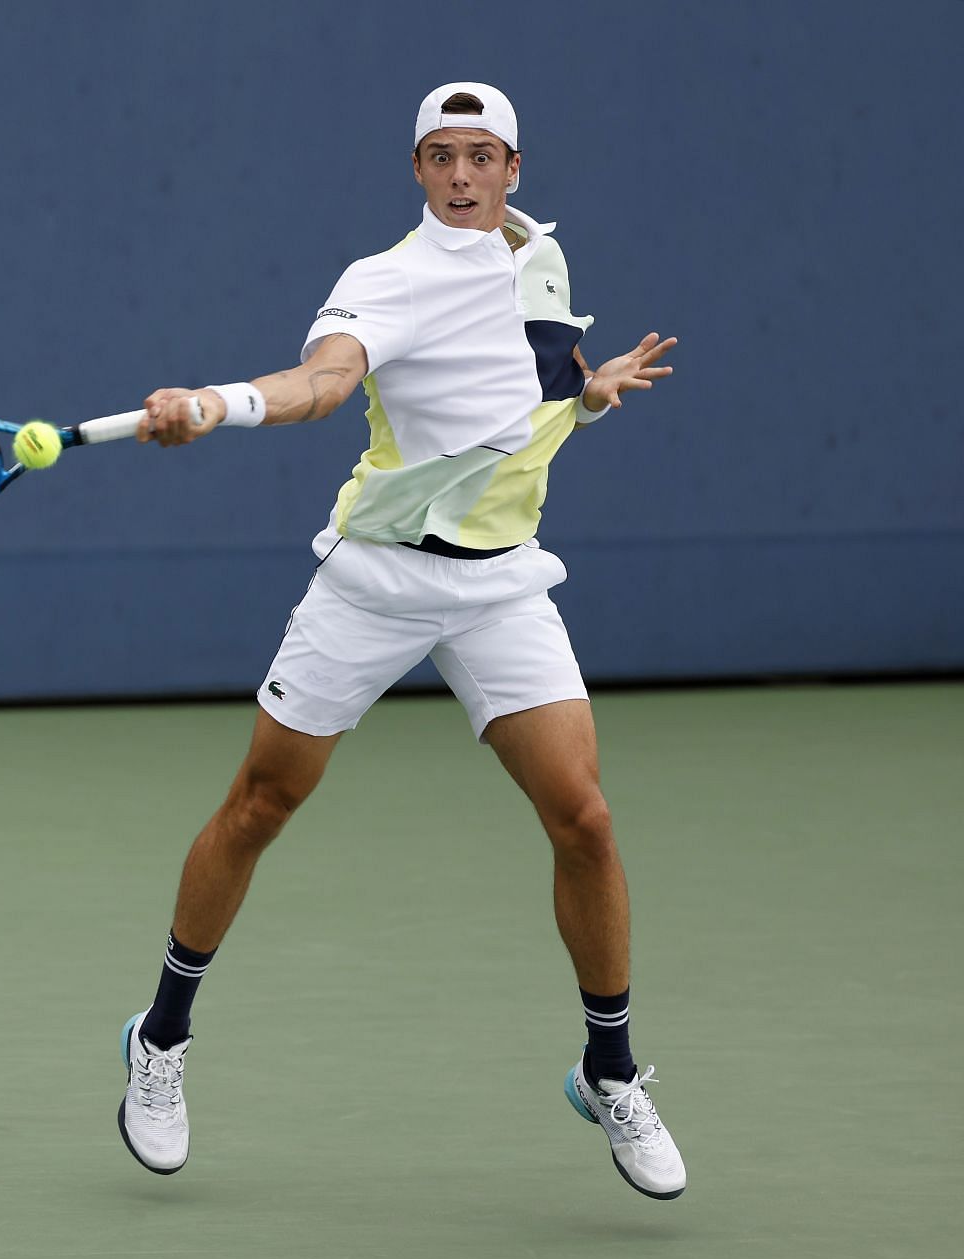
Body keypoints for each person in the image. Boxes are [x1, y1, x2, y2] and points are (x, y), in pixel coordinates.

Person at [114, 82, 686, 1201]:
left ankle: (608, 1066)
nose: (463, 175)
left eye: (482, 156)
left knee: (585, 814)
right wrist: (220, 403)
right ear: (417, 171)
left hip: (504, 584)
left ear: (514, 170)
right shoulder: (384, 281)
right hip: (377, 578)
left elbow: (516, 392)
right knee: (261, 804)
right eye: (441, 156)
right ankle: (161, 1037)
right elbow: (323, 385)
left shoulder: (542, 262)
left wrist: (589, 392)